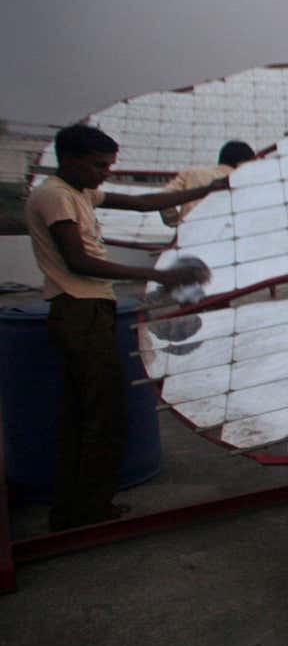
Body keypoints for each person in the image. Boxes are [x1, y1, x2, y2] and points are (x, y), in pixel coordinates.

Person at [25, 124, 223, 531]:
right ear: (72, 159)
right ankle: (85, 511)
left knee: (90, 411)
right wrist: (161, 276)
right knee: (101, 414)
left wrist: (203, 192)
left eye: (109, 166)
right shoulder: (54, 196)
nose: (105, 174)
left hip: (92, 308)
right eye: (99, 165)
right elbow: (78, 262)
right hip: (77, 310)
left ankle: (77, 507)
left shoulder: (80, 191)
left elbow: (145, 203)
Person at [157, 139, 254, 226]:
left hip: (189, 234)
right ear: (243, 163)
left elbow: (164, 197)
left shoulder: (191, 173)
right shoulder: (246, 180)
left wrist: (176, 221)